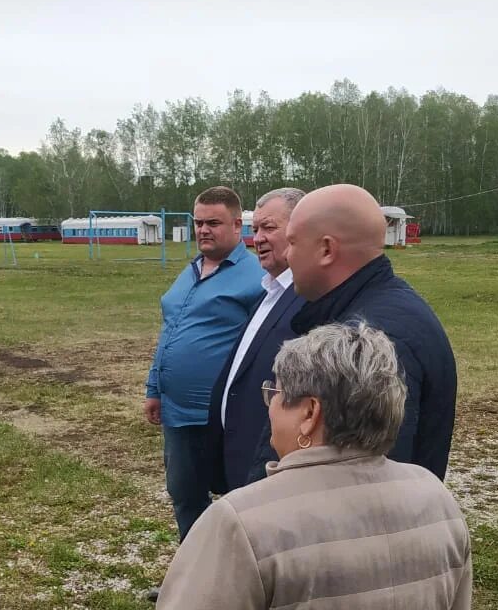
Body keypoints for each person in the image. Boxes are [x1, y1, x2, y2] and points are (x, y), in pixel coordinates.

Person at [141, 322, 472, 610]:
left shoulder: (242, 523)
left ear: (310, 413)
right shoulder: (437, 499)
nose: (269, 409)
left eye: (275, 395)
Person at [286, 184, 457, 480]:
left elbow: (365, 477)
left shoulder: (371, 341)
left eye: (292, 243)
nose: (286, 256)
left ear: (326, 249)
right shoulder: (383, 307)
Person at [144, 185, 264, 543]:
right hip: (179, 414)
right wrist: (154, 388)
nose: (203, 230)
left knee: (242, 501)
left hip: (229, 417)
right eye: (198, 222)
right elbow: (170, 331)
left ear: (238, 225)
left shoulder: (257, 276)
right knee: (185, 496)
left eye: (213, 222)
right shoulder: (192, 270)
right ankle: (194, 581)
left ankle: (244, 584)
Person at [205, 187, 307, 492]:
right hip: (241, 459)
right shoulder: (268, 292)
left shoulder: (308, 299)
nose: (257, 239)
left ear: (299, 231)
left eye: (269, 228)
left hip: (271, 467)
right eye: (255, 229)